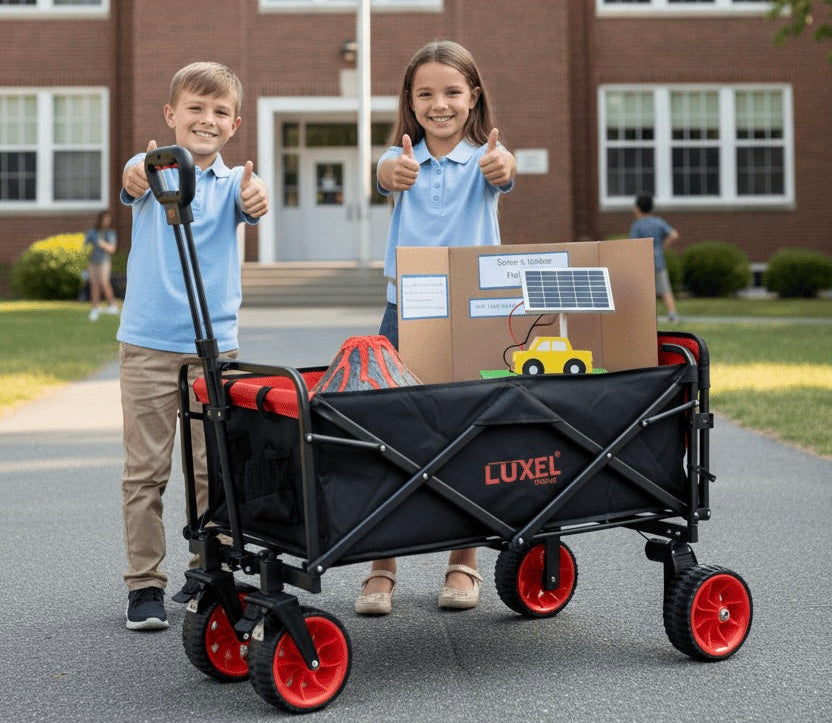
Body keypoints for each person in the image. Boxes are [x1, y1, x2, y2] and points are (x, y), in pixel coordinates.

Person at [355, 40, 516, 616]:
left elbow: (505, 170)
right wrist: (391, 167)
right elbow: (384, 171)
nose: (439, 104)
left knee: (465, 434)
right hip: (406, 312)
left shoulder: (487, 159)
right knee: (388, 434)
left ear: (473, 98)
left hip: (472, 314)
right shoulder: (400, 161)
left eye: (452, 92)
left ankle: (463, 562)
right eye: (426, 93)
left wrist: (502, 163)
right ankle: (382, 567)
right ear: (410, 101)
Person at [118, 61, 268, 631]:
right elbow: (136, 174)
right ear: (171, 115)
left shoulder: (236, 183)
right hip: (149, 345)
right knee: (145, 472)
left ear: (234, 125)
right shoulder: (152, 167)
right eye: (195, 109)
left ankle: (208, 568)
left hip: (214, 349)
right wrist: (139, 171)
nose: (206, 120)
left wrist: (256, 200)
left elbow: (255, 198)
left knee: (215, 469)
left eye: (219, 112)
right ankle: (143, 585)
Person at [630, 191, 680, 323]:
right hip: (658, 260)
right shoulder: (658, 222)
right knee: (665, 290)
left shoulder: (637, 226)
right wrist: (662, 246)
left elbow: (632, 245)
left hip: (643, 263)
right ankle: (672, 314)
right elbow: (674, 234)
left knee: (643, 291)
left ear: (638, 208)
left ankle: (644, 316)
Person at [85, 210, 119, 320]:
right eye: (104, 219)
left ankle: (113, 305)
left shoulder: (110, 233)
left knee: (104, 282)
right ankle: (95, 307)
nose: (106, 221)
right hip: (92, 261)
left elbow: (112, 249)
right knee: (94, 284)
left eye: (108, 219)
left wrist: (102, 243)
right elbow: (85, 245)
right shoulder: (92, 232)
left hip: (104, 261)